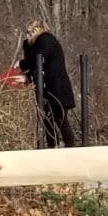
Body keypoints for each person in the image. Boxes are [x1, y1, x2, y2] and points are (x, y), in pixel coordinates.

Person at [17, 20, 77, 148]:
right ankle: (53, 145)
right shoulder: (41, 42)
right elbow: (38, 65)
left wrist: (22, 63)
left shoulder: (45, 39)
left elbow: (38, 59)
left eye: (30, 33)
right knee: (49, 119)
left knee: (59, 118)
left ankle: (68, 146)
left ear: (37, 30)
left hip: (56, 88)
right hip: (50, 88)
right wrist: (28, 76)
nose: (27, 36)